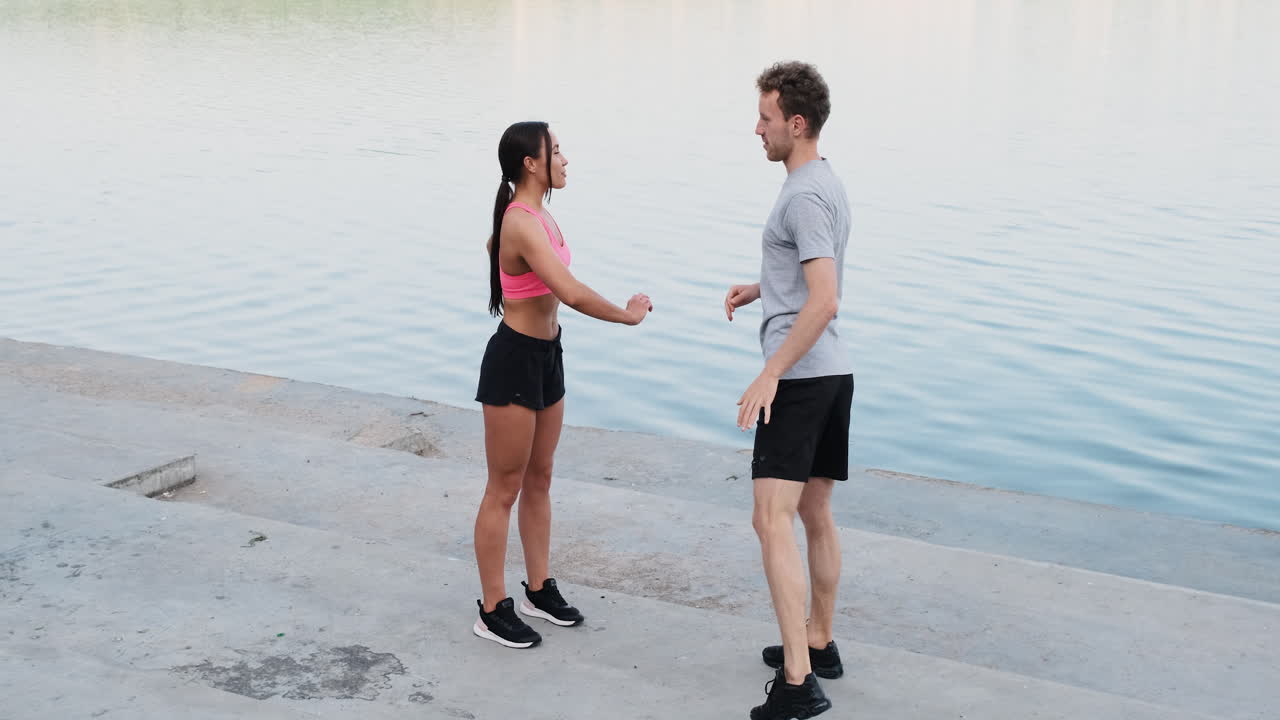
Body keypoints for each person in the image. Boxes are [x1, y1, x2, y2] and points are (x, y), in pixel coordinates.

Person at [472, 121, 653, 649]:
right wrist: (627, 315)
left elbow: (502, 254)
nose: (565, 159)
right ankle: (490, 608)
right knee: (503, 488)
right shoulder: (522, 221)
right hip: (513, 362)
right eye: (557, 151)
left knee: (541, 476)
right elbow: (570, 292)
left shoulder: (536, 216)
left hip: (547, 355)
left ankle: (537, 588)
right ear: (532, 162)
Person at [724, 62, 852, 718]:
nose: (758, 129)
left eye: (766, 118)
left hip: (800, 379)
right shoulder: (823, 182)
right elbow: (809, 277)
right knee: (814, 514)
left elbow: (824, 298)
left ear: (795, 124)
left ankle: (799, 685)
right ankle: (820, 641)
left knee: (769, 519)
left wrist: (771, 370)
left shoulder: (800, 194)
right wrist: (763, 289)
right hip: (832, 374)